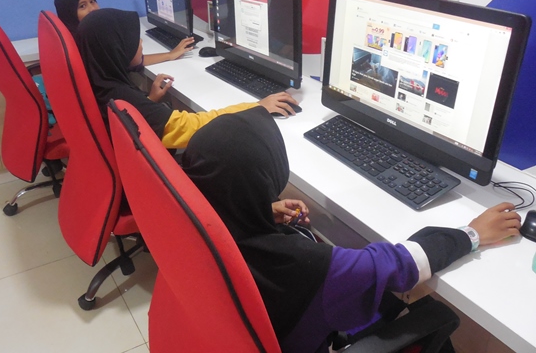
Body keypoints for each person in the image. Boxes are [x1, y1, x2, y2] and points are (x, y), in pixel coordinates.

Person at [181, 106, 522, 353]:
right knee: (434, 314)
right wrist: (472, 234)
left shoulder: (190, 231)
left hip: (236, 332)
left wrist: (261, 211)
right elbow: (397, 265)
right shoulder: (307, 267)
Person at [76, 8, 300, 149]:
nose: (141, 42)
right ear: (116, 50)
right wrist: (256, 108)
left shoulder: (102, 83)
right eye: (133, 40)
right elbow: (192, 127)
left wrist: (150, 101)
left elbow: (137, 120)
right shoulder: (122, 98)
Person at [53, 0, 194, 65]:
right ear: (69, 13)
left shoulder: (84, 38)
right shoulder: (85, 47)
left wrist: (169, 55)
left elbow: (127, 60)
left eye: (92, 1)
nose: (92, 9)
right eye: (82, 6)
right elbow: (131, 62)